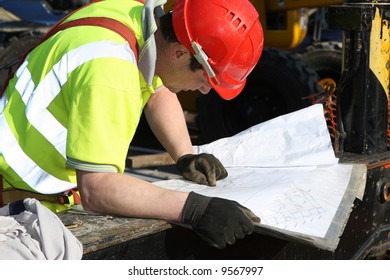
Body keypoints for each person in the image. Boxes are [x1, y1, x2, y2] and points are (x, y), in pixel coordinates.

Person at [0, 0, 264, 249]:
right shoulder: (110, 71)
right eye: (205, 78)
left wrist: (184, 155)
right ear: (180, 53)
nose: (205, 90)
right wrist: (194, 209)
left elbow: (157, 88)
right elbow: (98, 187)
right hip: (13, 194)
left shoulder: (136, 17)